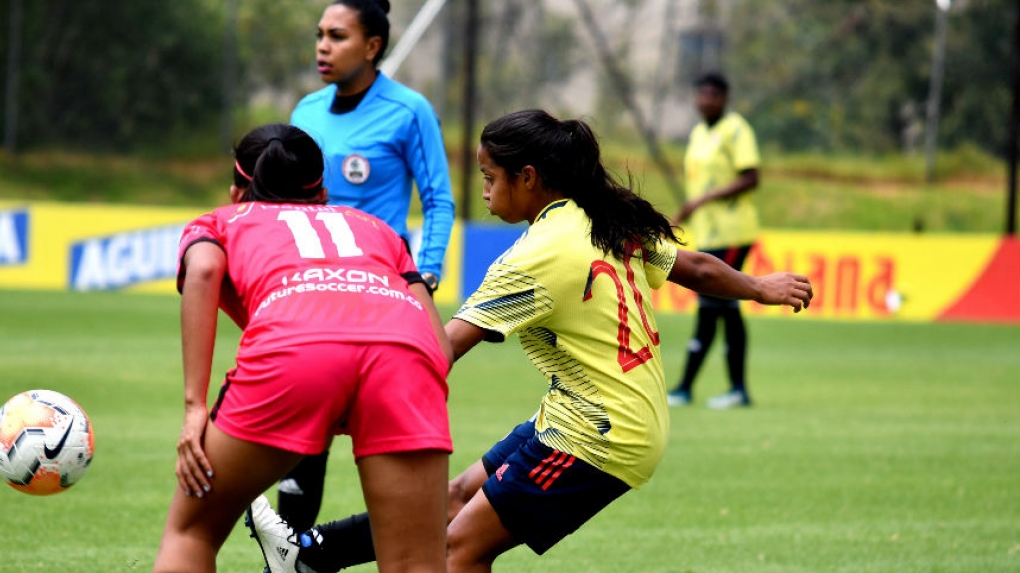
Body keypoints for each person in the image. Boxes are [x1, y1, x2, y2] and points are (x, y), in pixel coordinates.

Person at [244, 110, 813, 573]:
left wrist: (350, 401)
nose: (485, 191)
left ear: (529, 177)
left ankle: (308, 556)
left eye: (490, 178)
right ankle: (309, 555)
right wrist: (759, 286)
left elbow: (442, 351)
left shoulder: (535, 257)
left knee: (459, 550)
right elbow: (694, 265)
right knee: (452, 499)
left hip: (598, 436)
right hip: (593, 413)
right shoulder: (599, 215)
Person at [151, 123, 453, 573]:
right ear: (324, 195)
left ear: (237, 192)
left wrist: (196, 406)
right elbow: (440, 349)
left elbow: (203, 272)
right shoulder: (375, 228)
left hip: (295, 353)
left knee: (192, 532)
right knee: (416, 563)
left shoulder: (221, 221)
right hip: (405, 356)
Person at [280, 0, 457, 533]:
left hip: (381, 297)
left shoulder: (409, 110)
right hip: (313, 294)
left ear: (372, 45)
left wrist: (424, 275)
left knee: (381, 431)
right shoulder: (305, 112)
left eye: (337, 36)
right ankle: (287, 559)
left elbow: (439, 199)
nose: (323, 46)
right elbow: (286, 203)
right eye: (320, 35)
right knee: (303, 436)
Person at [667, 72, 763, 410]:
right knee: (717, 307)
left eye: (712, 95)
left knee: (717, 304)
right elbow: (698, 190)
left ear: (724, 98)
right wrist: (680, 219)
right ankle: (699, 388)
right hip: (708, 233)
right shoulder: (697, 133)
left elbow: (751, 177)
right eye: (701, 94)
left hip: (733, 231)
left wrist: (706, 200)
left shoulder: (736, 129)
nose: (705, 101)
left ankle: (706, 388)